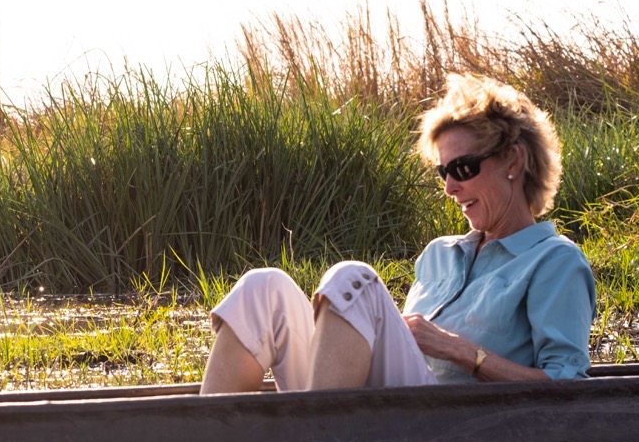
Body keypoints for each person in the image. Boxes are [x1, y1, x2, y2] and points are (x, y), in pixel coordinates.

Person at [200, 73, 595, 394]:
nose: (449, 188)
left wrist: (458, 350)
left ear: (513, 160)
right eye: (443, 172)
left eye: (462, 169)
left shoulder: (555, 261)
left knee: (353, 279)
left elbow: (567, 386)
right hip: (380, 409)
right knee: (262, 288)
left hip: (448, 428)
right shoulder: (439, 254)